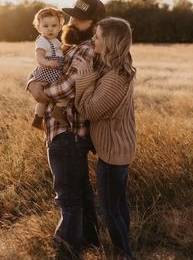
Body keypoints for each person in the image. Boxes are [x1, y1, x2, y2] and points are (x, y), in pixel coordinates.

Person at [27, 0, 106, 260]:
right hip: (65, 132)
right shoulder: (69, 46)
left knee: (67, 197)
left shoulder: (87, 49)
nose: (72, 20)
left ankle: (66, 250)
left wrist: (40, 91)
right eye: (72, 15)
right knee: (80, 191)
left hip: (68, 131)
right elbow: (43, 69)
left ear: (94, 24)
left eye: (80, 18)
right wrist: (32, 83)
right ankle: (90, 242)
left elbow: (69, 87)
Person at [74, 17, 136, 260]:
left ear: (109, 41)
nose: (93, 39)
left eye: (97, 36)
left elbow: (89, 110)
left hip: (113, 152)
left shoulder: (114, 78)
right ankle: (126, 249)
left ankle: (124, 254)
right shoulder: (119, 68)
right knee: (119, 205)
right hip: (120, 147)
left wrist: (85, 76)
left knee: (110, 209)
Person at [31, 7, 68, 129]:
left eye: (54, 25)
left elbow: (58, 51)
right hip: (48, 72)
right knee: (63, 91)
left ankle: (38, 117)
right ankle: (56, 111)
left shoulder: (56, 41)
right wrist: (47, 62)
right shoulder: (42, 41)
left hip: (54, 70)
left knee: (43, 99)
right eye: (45, 26)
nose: (50, 29)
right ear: (39, 28)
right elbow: (39, 57)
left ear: (59, 26)